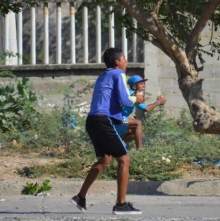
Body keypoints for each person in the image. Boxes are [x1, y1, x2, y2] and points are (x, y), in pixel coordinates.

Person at [70, 48, 144, 214]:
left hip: (92, 121)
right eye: (124, 58)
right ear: (117, 61)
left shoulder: (103, 76)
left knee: (104, 160)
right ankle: (121, 204)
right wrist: (136, 98)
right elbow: (125, 100)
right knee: (124, 159)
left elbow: (112, 100)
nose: (126, 61)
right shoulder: (118, 74)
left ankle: (80, 197)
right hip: (103, 121)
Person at [116, 75, 166, 149]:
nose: (144, 86)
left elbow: (145, 107)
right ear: (134, 87)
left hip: (121, 121)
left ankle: (122, 143)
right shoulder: (132, 94)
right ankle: (140, 150)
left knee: (135, 133)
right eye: (141, 84)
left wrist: (158, 102)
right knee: (138, 123)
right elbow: (147, 109)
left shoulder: (133, 94)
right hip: (119, 119)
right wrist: (159, 102)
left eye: (143, 83)